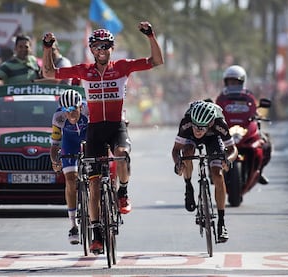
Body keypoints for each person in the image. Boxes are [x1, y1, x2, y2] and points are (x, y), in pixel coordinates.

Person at [42, 21, 164, 253]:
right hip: (95, 129)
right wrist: (47, 48)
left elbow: (157, 61)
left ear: (112, 48)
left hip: (116, 125)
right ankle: (97, 234)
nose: (102, 50)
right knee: (94, 183)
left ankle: (123, 192)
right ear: (92, 50)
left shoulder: (123, 67)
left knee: (122, 155)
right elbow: (49, 72)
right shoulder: (83, 71)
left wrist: (150, 36)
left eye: (106, 46)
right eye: (97, 47)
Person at [171, 100, 238, 243]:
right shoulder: (187, 123)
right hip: (190, 140)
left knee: (218, 175)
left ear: (211, 123)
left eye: (201, 128)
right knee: (187, 153)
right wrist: (178, 163)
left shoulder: (220, 124)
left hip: (214, 138)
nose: (197, 130)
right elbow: (176, 150)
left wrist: (228, 160)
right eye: (195, 126)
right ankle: (188, 186)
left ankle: (221, 223)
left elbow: (233, 150)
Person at [217, 65, 271, 184]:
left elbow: (254, 111)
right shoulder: (221, 98)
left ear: (242, 82)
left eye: (236, 82)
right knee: (212, 144)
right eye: (230, 81)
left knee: (266, 143)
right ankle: (214, 172)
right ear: (226, 82)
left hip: (245, 130)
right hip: (228, 130)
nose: (233, 84)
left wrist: (259, 116)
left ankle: (259, 171)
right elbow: (217, 110)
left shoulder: (249, 97)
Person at [50, 89, 88, 245]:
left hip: (89, 140)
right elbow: (54, 145)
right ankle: (73, 225)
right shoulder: (58, 118)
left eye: (73, 109)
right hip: (70, 144)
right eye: (66, 110)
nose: (70, 114)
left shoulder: (89, 111)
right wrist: (55, 161)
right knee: (70, 181)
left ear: (80, 106)